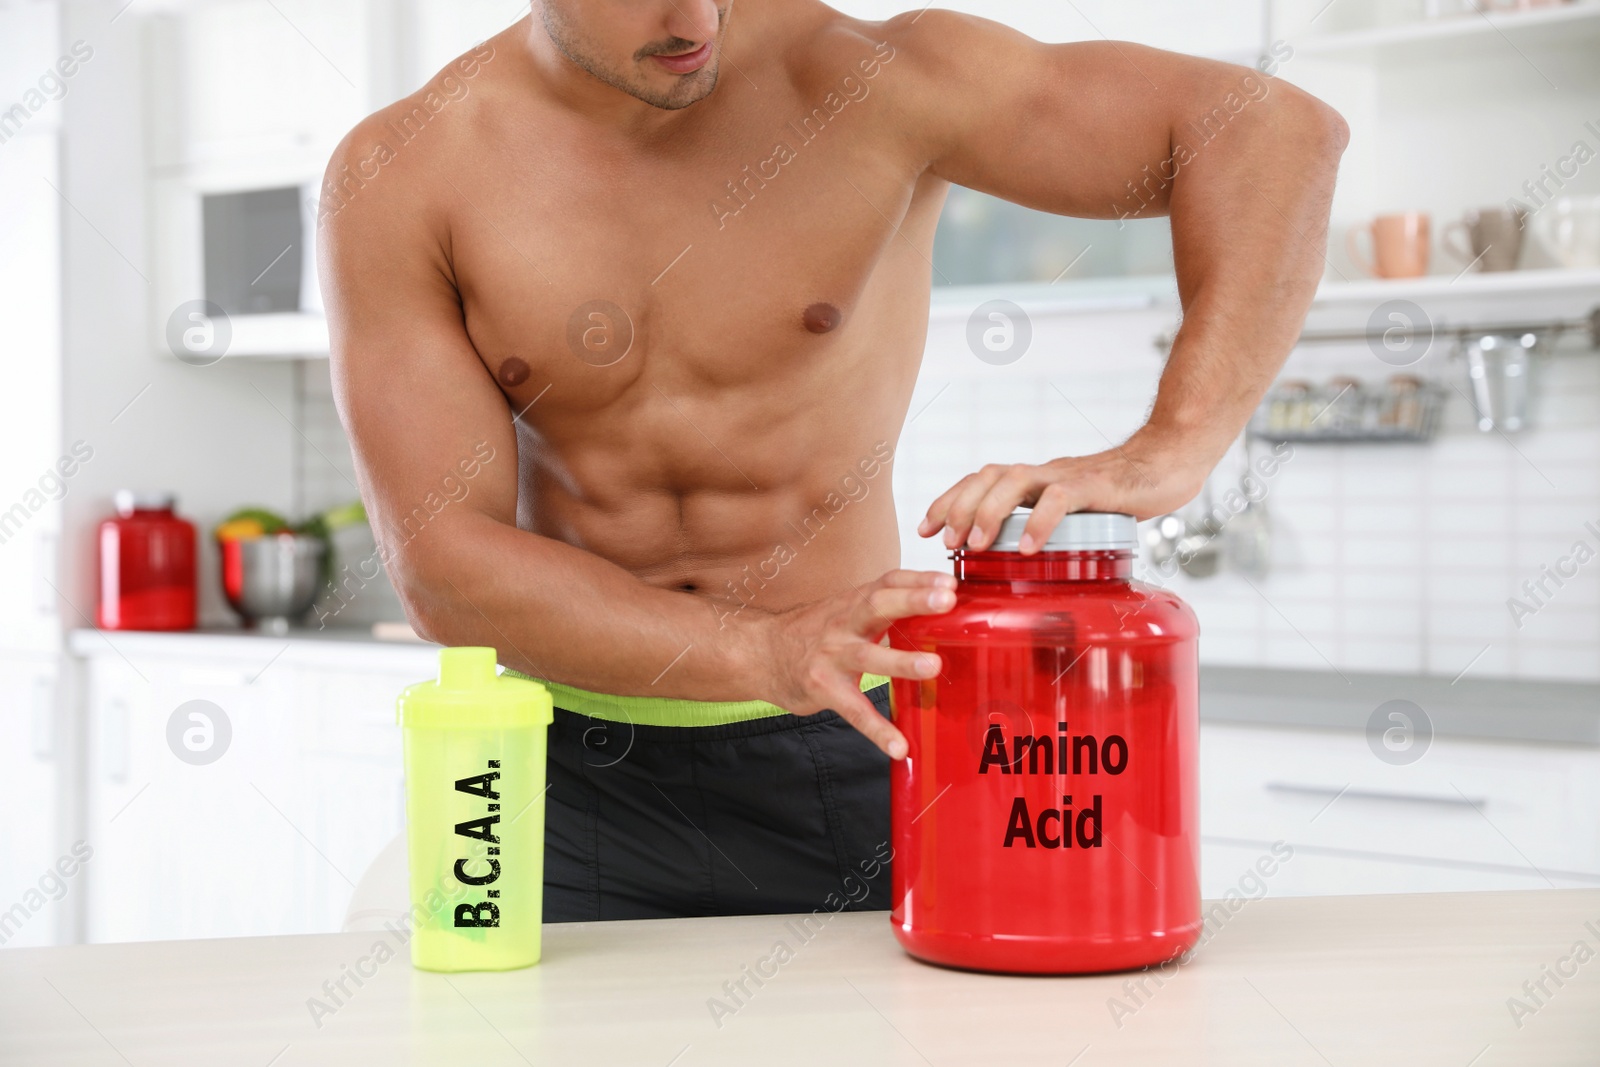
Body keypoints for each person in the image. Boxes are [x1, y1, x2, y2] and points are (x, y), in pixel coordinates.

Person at [319, 0, 1346, 921]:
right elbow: (444, 567)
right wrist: (761, 649)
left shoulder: (871, 78)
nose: (692, 20)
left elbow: (1273, 131)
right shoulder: (406, 170)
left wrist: (1166, 449)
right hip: (568, 768)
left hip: (855, 745)